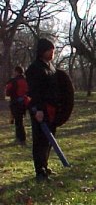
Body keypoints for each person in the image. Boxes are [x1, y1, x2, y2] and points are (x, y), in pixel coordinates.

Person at [26, 38, 59, 181]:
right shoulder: (35, 68)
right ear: (42, 51)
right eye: (49, 50)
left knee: (48, 140)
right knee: (40, 140)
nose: (52, 53)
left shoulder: (50, 67)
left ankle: (45, 165)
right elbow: (35, 92)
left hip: (51, 108)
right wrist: (38, 110)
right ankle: (39, 170)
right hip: (39, 109)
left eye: (53, 50)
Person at [5, 66, 29, 145]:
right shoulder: (26, 80)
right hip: (24, 103)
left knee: (18, 122)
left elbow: (8, 92)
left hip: (15, 103)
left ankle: (21, 138)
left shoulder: (14, 81)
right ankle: (20, 138)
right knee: (20, 120)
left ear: (17, 72)